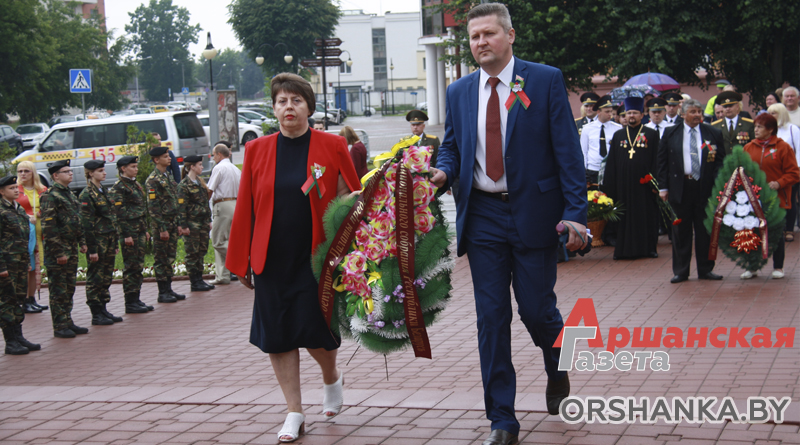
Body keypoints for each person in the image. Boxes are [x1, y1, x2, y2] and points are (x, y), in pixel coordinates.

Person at [429, 4, 588, 444]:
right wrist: (443, 172)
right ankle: (502, 419)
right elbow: (452, 147)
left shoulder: (543, 80)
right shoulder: (460, 91)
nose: (481, 42)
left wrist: (575, 214)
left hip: (535, 213)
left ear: (510, 35)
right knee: (492, 318)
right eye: (474, 36)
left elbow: (567, 152)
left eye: (489, 34)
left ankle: (558, 364)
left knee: (538, 311)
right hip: (482, 215)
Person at [226, 73, 361, 443]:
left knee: (317, 331)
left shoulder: (332, 145)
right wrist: (241, 258)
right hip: (272, 260)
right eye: (282, 101)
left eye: (296, 100)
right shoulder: (257, 149)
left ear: (309, 107)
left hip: (316, 258)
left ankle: (331, 376)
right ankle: (294, 412)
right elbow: (246, 206)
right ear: (274, 109)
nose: (289, 107)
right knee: (279, 336)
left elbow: (349, 196)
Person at [657, 99, 726, 283]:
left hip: (705, 187)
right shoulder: (671, 133)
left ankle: (706, 269)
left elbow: (720, 161)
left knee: (705, 231)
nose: (697, 115)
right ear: (683, 114)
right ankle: (681, 271)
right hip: (680, 187)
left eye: (699, 112)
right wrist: (663, 187)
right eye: (693, 112)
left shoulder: (713, 132)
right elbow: (662, 162)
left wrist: (718, 183)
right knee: (681, 231)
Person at [741, 114, 800, 279]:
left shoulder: (783, 148)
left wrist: (779, 183)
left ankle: (778, 267)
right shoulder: (748, 147)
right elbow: (741, 170)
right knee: (751, 232)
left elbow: (794, 173)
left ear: (770, 129)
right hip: (753, 198)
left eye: (760, 127)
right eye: (755, 127)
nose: (756, 130)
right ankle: (752, 266)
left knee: (775, 232)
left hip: (776, 198)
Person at [602, 97, 661, 260]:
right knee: (624, 217)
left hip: (644, 185)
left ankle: (649, 249)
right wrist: (609, 186)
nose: (631, 116)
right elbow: (612, 163)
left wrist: (655, 182)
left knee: (645, 216)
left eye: (635, 113)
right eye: (628, 113)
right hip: (623, 185)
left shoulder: (651, 134)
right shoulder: (618, 135)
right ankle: (623, 250)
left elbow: (657, 159)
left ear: (642, 115)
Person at [40, 160, 89, 338]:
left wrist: (82, 241)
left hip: (71, 247)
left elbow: (76, 220)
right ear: (55, 176)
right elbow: (49, 227)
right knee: (58, 289)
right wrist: (58, 252)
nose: (70, 173)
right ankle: (60, 325)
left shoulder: (68, 194)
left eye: (70, 171)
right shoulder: (50, 196)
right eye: (66, 171)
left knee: (69, 287)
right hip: (58, 250)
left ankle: (67, 320)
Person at [79, 160, 123, 325]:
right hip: (97, 241)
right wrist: (92, 249)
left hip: (108, 239)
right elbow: (86, 224)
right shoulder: (87, 194)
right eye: (100, 171)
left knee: (106, 275)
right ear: (90, 173)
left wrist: (115, 242)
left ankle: (103, 308)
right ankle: (96, 312)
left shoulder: (103, 191)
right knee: (95, 277)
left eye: (103, 170)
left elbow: (112, 217)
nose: (104, 173)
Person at [0, 175, 41, 354]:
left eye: (16, 187)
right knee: (7, 300)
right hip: (7, 264)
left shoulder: (18, 208)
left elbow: (24, 235)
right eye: (11, 188)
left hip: (20, 262)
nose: (16, 190)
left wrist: (26, 261)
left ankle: (19, 336)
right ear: (1, 192)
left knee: (18, 299)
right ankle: (10, 341)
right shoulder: (1, 211)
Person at [109, 156, 153, 314]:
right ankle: (130, 301)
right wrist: (126, 234)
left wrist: (145, 229)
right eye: (133, 167)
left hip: (138, 230)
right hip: (129, 232)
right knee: (131, 266)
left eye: (136, 166)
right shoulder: (119, 188)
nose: (136, 169)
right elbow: (119, 214)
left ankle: (136, 298)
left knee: (138, 265)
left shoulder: (135, 184)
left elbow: (141, 210)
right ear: (123, 169)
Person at [146, 145, 185, 303]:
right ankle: (162, 292)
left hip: (172, 222)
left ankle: (169, 289)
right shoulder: (153, 180)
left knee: (170, 257)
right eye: (165, 156)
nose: (169, 158)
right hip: (162, 225)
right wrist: (162, 228)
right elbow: (153, 207)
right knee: (161, 259)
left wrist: (178, 223)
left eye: (168, 156)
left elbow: (174, 201)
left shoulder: (167, 176)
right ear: (156, 160)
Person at [14, 161, 48, 313]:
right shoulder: (15, 190)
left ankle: (31, 298)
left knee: (35, 268)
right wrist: (27, 216)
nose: (23, 174)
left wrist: (41, 213)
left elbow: (49, 207)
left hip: (41, 233)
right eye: (20, 171)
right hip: (25, 235)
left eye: (26, 171)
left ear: (33, 172)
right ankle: (23, 300)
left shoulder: (42, 189)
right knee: (27, 267)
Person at [178, 155, 215, 292]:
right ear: (192, 167)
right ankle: (194, 281)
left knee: (201, 251)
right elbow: (181, 207)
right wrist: (183, 225)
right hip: (192, 224)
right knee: (192, 253)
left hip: (202, 223)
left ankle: (200, 279)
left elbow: (205, 203)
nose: (202, 167)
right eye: (199, 165)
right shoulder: (184, 185)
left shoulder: (200, 182)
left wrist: (209, 220)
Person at [207, 142, 241, 285]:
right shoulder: (235, 169)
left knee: (218, 241)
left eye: (214, 155)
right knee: (228, 239)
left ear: (219, 154)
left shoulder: (219, 168)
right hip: (236, 204)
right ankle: (223, 275)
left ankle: (242, 259)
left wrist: (204, 203)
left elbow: (210, 189)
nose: (213, 157)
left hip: (223, 204)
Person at [767, 103, 800, 241]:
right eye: (769, 113)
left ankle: (789, 229)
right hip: (772, 172)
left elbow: (798, 150)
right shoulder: (768, 131)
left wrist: (797, 169)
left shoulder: (792, 129)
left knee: (789, 200)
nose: (770, 116)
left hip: (789, 172)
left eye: (773, 113)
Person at [580, 95, 621, 186]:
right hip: (593, 170)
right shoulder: (587, 128)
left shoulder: (617, 128)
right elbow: (584, 151)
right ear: (598, 112)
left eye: (611, 111)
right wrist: (584, 172)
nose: (610, 114)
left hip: (610, 169)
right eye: (607, 112)